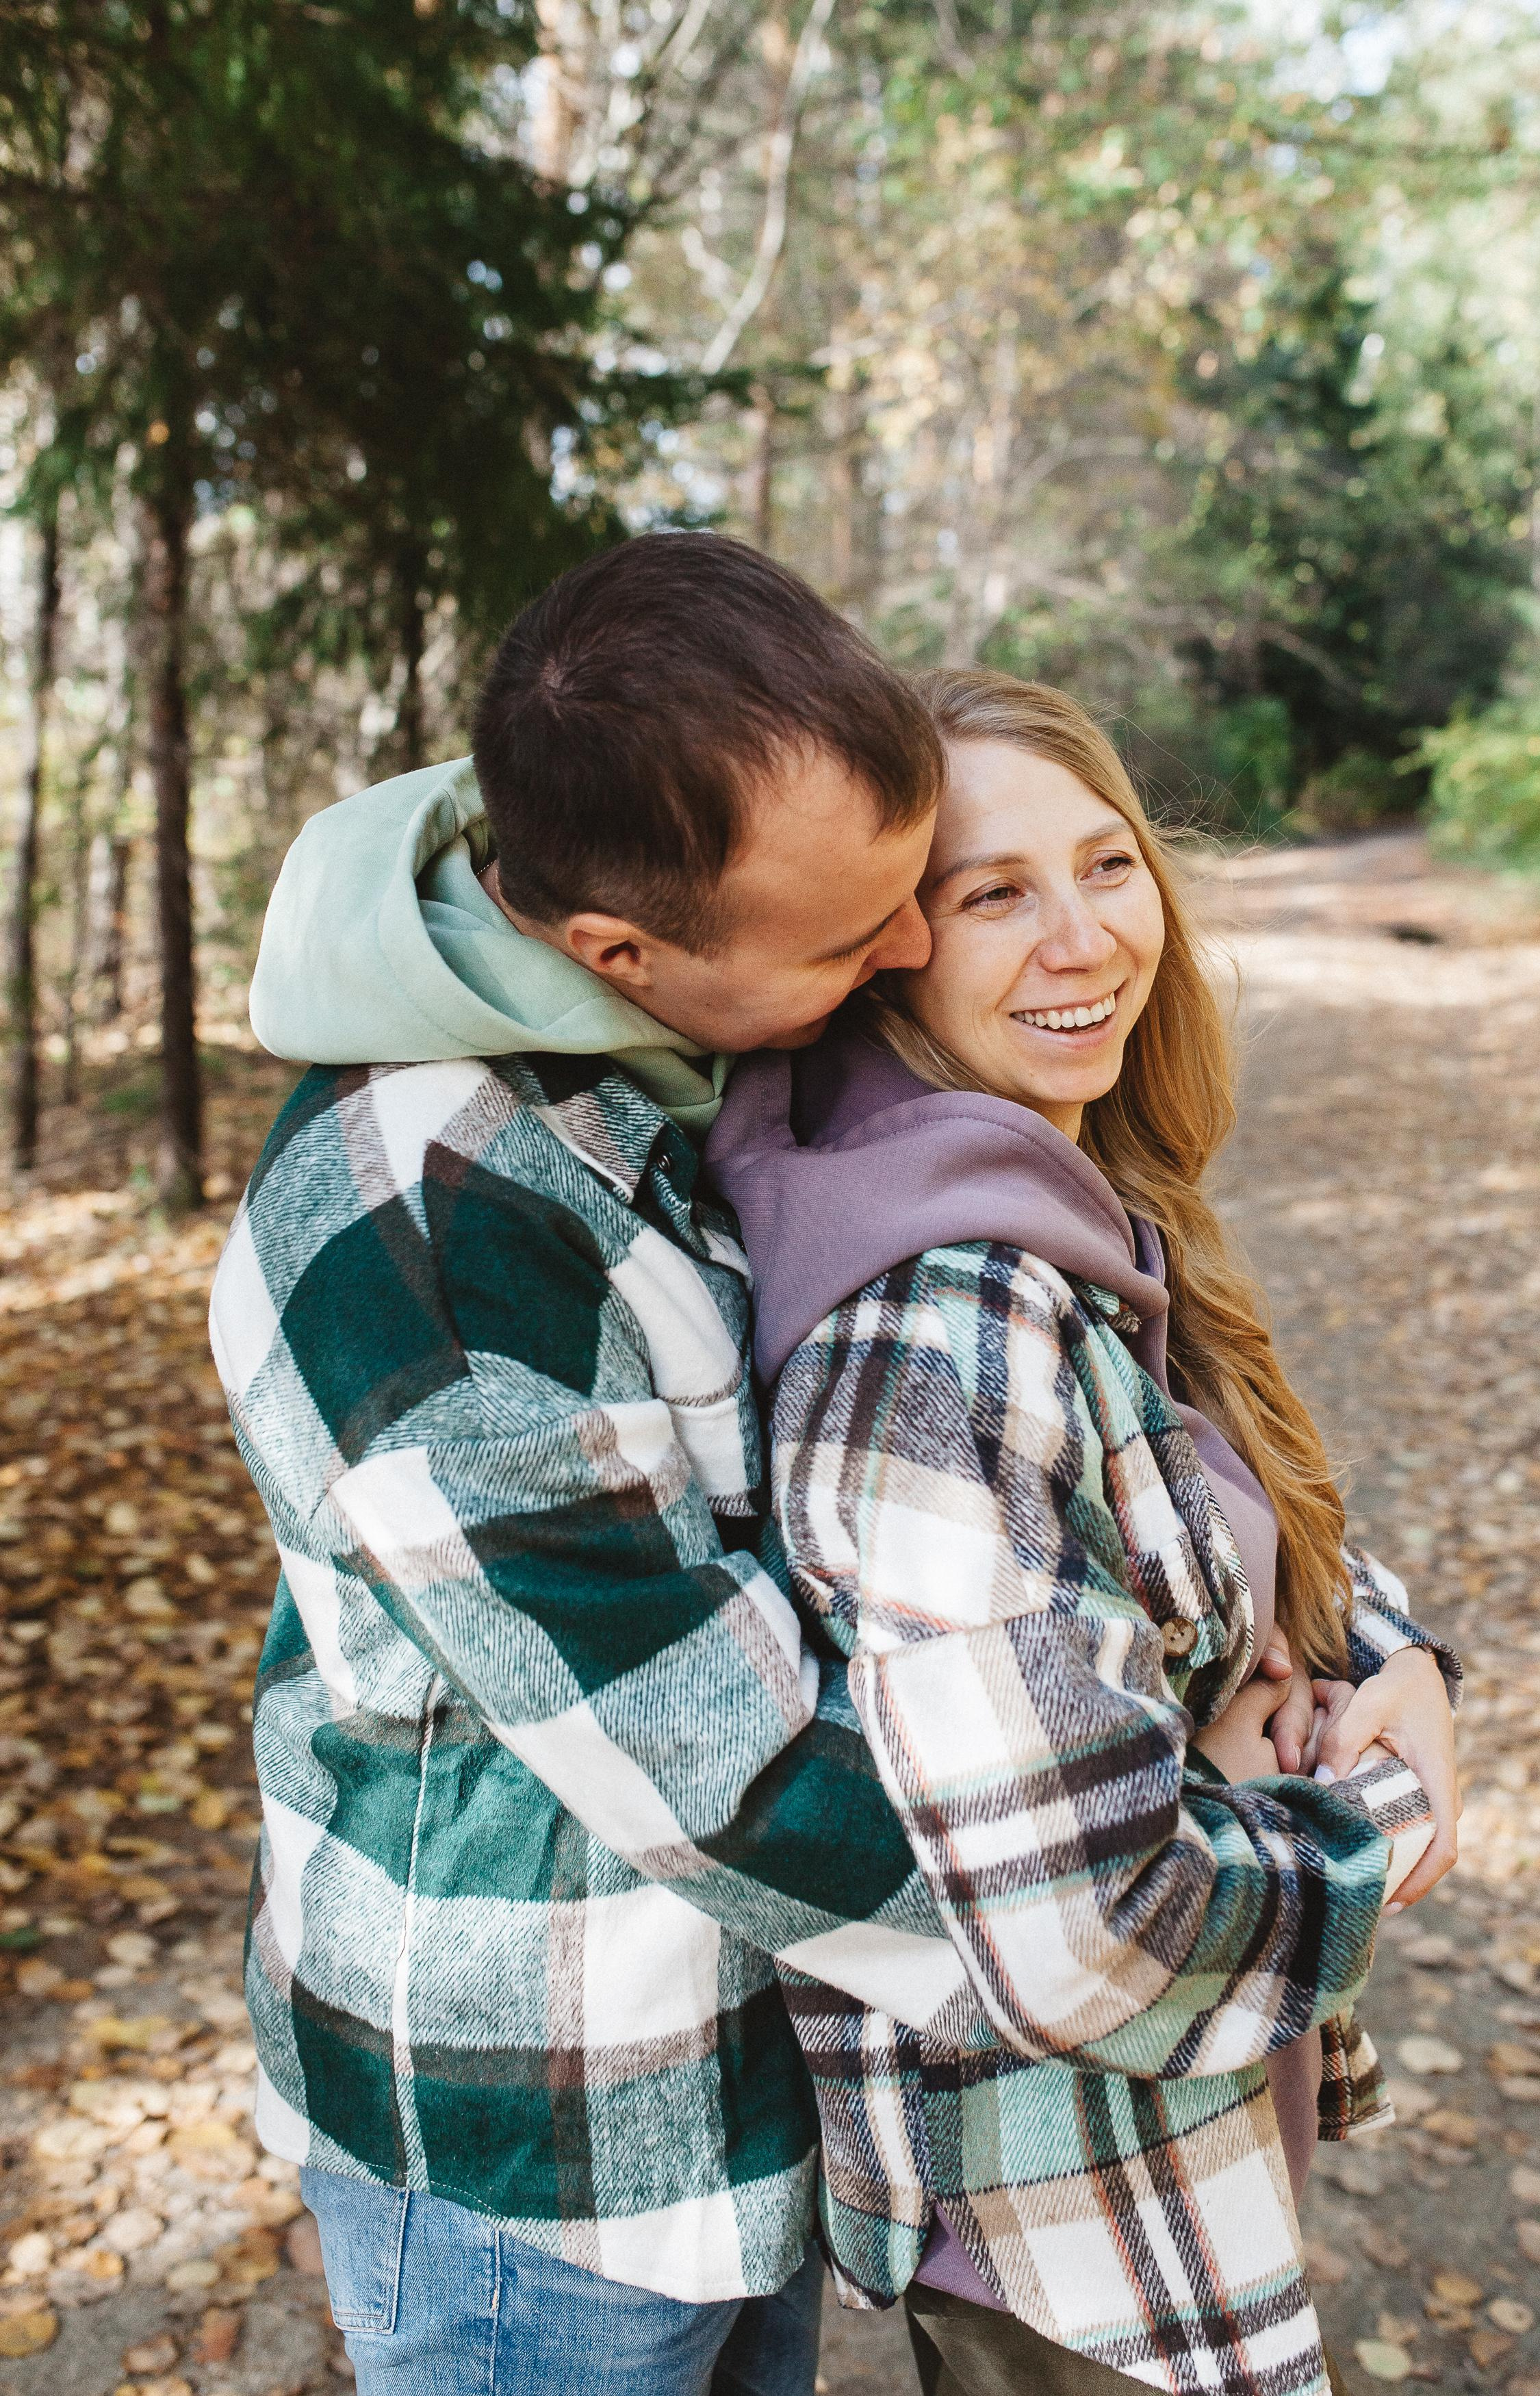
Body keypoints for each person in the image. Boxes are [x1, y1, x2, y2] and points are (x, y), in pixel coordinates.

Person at [207, 534, 990, 2395]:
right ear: (614, 950)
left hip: (742, 2081)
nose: (911, 949)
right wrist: (1121, 1916)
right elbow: (708, 1766)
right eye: (844, 933)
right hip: (536, 2165)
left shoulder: (670, 1052)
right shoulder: (431, 1228)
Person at [705, 667, 1461, 2396]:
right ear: (889, 947)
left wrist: (1393, 1658)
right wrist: (1391, 1796)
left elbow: (1203, 1519)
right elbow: (1082, 1929)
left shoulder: (1058, 1204)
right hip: (1070, 2230)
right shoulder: (936, 1326)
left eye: (1108, 864)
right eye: (993, 893)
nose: (1084, 940)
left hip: (1172, 2152)